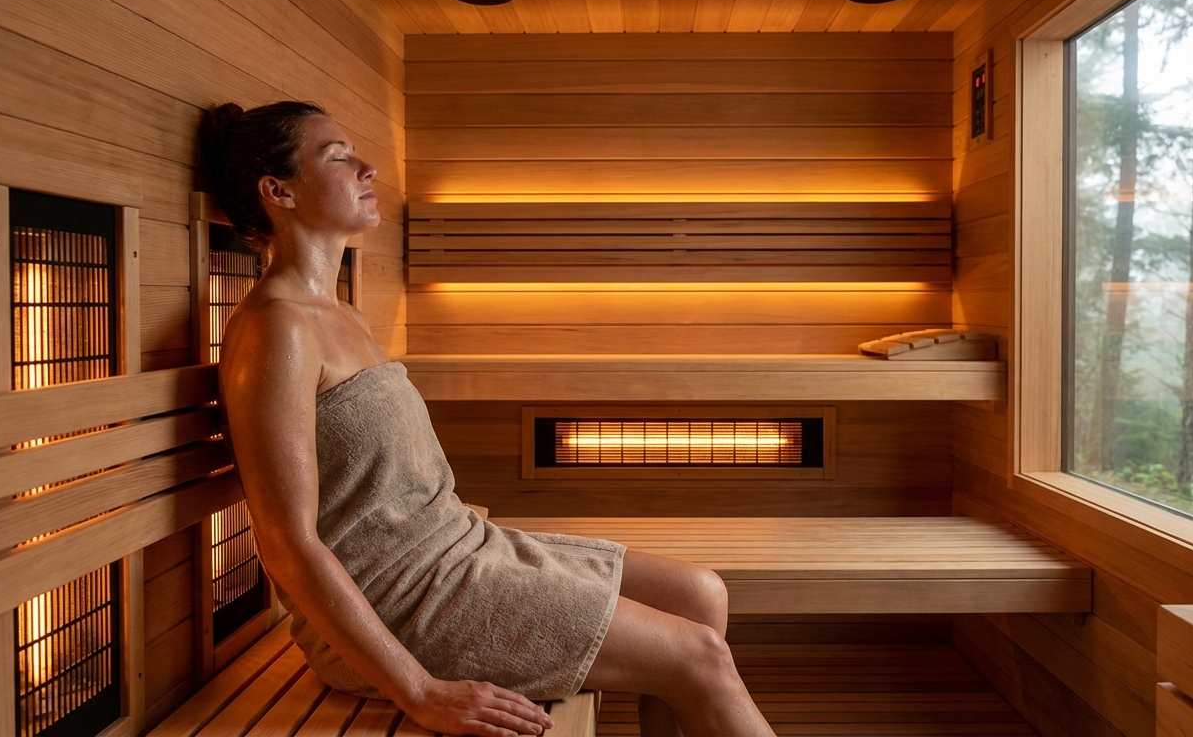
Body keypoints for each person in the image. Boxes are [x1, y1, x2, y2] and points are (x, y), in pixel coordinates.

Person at [202, 101, 773, 737]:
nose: (367, 167)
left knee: (701, 593)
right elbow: (288, 544)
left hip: (457, 548)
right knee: (699, 656)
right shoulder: (275, 329)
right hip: (400, 599)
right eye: (337, 157)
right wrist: (421, 692)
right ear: (277, 191)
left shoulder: (344, 316)